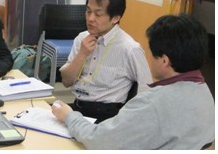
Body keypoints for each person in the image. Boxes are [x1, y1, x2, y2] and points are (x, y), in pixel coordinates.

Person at [52, 14, 215, 149]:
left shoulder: (152, 103)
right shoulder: (205, 93)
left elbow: (100, 141)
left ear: (164, 61)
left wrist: (69, 116)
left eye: (152, 54)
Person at [60, 0, 152, 123]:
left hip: (108, 118)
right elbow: (66, 81)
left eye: (98, 14)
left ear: (115, 18)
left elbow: (146, 93)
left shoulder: (130, 49)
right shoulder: (81, 38)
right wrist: (82, 54)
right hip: (78, 108)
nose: (90, 18)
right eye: (88, 11)